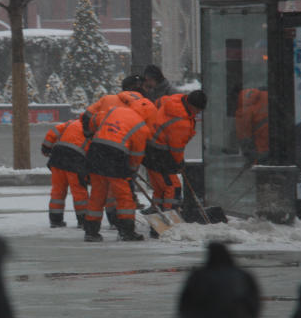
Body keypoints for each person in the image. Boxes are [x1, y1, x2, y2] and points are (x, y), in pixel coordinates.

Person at [80, 74, 153, 228]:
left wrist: (90, 134)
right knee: (124, 194)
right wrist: (132, 171)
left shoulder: (112, 107)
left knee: (98, 193)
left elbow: (89, 117)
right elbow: (137, 154)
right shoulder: (141, 126)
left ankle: (91, 230)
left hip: (96, 149)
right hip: (119, 154)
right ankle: (126, 229)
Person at [143, 90, 207, 212]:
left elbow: (158, 102)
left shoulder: (176, 99)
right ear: (191, 105)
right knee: (173, 187)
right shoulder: (181, 123)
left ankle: (156, 216)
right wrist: (179, 163)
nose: (198, 113)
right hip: (159, 155)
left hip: (149, 150)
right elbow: (176, 148)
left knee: (160, 188)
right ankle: (170, 218)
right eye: (197, 109)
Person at [41, 119, 90, 228]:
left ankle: (55, 220)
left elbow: (53, 132)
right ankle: (83, 220)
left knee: (57, 191)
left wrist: (46, 147)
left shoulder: (72, 122)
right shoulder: (96, 129)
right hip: (75, 160)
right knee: (79, 192)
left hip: (57, 156)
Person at [234, 86, 269, 165]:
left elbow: (244, 137)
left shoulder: (244, 108)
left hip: (261, 152)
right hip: (275, 149)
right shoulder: (268, 97)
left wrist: (250, 157)